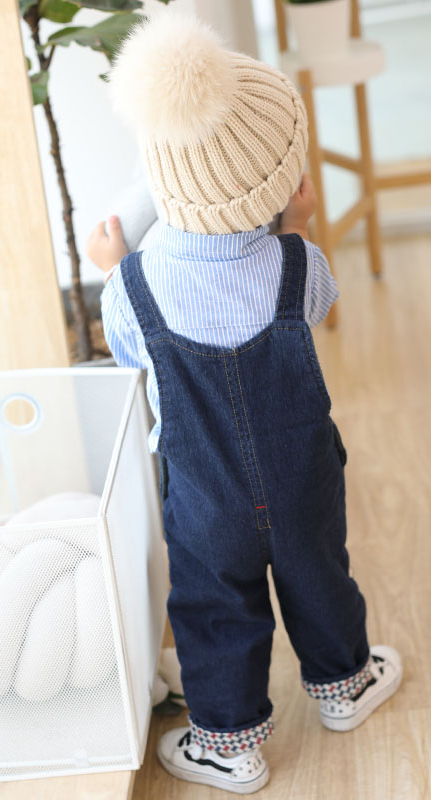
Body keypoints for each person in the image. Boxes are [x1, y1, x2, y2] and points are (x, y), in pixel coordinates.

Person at [91, 11, 402, 795]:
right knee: (321, 576)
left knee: (212, 605)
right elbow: (311, 307)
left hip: (205, 498)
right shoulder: (300, 265)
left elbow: (131, 356)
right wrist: (292, 229)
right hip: (302, 482)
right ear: (284, 188)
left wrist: (116, 264)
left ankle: (227, 743)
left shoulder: (133, 289)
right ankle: (345, 685)